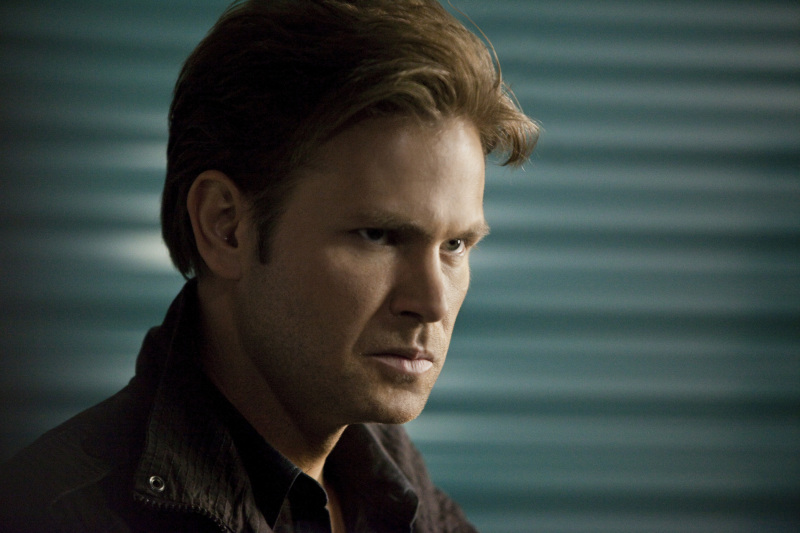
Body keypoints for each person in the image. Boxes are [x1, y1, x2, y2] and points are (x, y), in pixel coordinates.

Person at [0, 0, 537, 531]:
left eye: (455, 245)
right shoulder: (53, 515)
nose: (433, 302)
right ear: (225, 226)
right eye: (377, 235)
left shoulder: (397, 486)